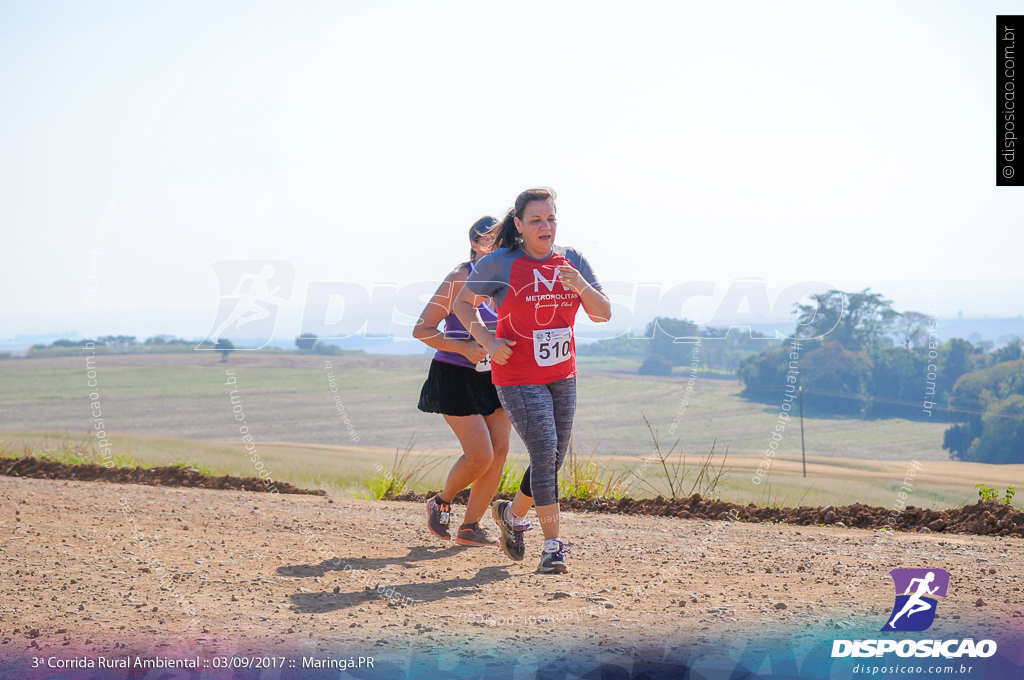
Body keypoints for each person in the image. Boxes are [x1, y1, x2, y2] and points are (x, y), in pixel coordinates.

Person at [453, 188, 611, 573]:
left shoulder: (572, 260)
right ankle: (553, 547)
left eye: (551, 219)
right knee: (544, 452)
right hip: (518, 375)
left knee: (553, 458)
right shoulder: (500, 263)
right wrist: (489, 341)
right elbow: (461, 305)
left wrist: (580, 285)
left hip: (562, 374)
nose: (546, 226)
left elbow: (603, 313)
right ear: (520, 225)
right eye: (536, 220)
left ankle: (510, 514)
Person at [413, 216, 512, 547]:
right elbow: (422, 330)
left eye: (505, 241)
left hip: (494, 376)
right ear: (474, 244)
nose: (502, 247)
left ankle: (470, 527)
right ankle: (442, 500)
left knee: (499, 454)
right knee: (480, 456)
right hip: (454, 375)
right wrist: (465, 347)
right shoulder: (460, 278)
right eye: (493, 241)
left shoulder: (506, 280)